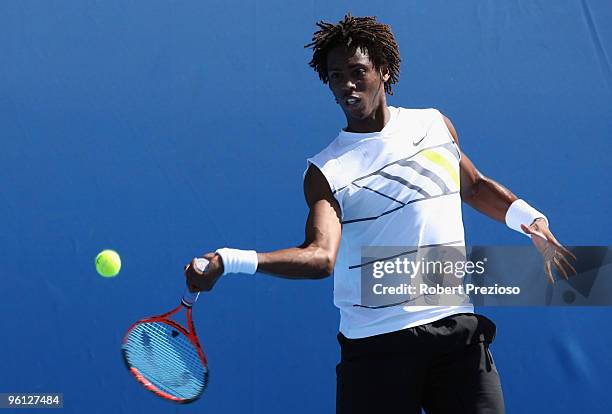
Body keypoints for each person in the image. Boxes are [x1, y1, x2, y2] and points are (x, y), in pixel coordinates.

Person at [184, 13, 576, 414]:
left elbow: (473, 186)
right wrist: (229, 260)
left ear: (384, 71)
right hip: (376, 348)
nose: (347, 85)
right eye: (336, 76)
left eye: (358, 72)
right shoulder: (326, 171)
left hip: (456, 334)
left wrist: (531, 220)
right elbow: (320, 257)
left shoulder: (433, 125)